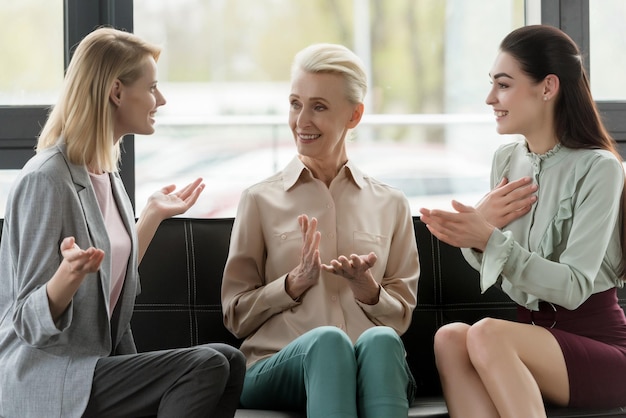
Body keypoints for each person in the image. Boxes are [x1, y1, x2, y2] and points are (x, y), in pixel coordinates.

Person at [0, 27, 245, 418]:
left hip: (93, 368)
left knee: (228, 359)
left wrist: (149, 216)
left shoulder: (107, 176)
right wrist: (66, 276)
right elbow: (27, 322)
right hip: (48, 378)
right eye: (152, 88)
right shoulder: (45, 180)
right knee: (207, 364)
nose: (160, 100)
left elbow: (111, 275)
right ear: (116, 91)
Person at [419, 24, 626, 417]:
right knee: (449, 338)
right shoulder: (506, 159)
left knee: (486, 333)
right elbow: (491, 264)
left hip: (600, 348)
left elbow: (574, 288)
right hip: (529, 339)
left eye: (503, 85)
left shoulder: (599, 168)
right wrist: (477, 233)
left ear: (547, 87)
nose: (490, 98)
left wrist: (489, 238)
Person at [221, 43, 420, 418]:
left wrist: (369, 291)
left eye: (319, 106)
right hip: (278, 365)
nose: (301, 120)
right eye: (295, 104)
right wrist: (291, 285)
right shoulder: (259, 201)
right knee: (329, 343)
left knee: (381, 339)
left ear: (354, 115)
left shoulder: (391, 204)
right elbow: (235, 316)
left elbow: (401, 319)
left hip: (372, 366)